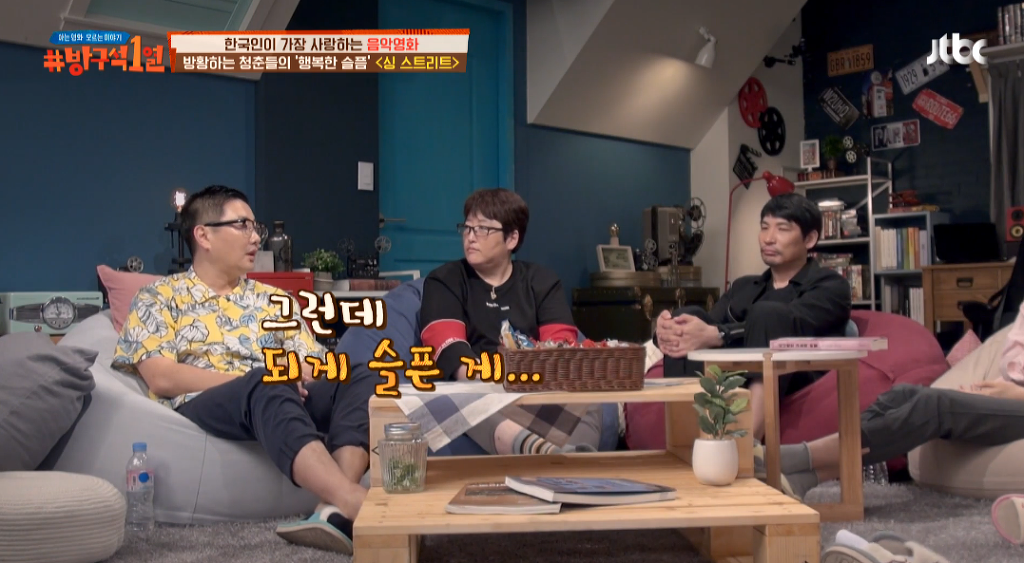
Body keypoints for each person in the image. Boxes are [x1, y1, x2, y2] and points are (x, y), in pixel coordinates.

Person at [111, 185, 373, 555]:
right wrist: (253, 380)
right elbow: (162, 376)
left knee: (359, 374)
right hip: (209, 399)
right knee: (266, 381)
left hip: (282, 393)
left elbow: (314, 363)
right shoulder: (159, 297)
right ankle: (353, 499)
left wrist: (302, 369)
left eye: (256, 227)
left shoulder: (275, 300)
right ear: (204, 235)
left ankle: (333, 508)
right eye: (242, 226)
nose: (255, 238)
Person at [768, 299, 1024, 502]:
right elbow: (1012, 357)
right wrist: (999, 388)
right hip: (1007, 391)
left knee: (933, 406)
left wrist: (1014, 393)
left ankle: (799, 456)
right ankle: (809, 477)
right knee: (903, 394)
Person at [419, 188, 605, 455]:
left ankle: (576, 458)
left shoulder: (542, 281)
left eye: (483, 229)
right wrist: (494, 380)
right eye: (467, 227)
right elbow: (449, 351)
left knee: (586, 389)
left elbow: (561, 348)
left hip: (534, 387)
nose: (470, 236)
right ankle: (539, 453)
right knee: (460, 398)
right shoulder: (445, 280)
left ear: (512, 238)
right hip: (477, 387)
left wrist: (527, 380)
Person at [655, 192, 852, 440]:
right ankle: (685, 439)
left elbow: (791, 325)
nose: (769, 238)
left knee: (768, 312)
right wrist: (668, 328)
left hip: (794, 376)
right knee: (687, 315)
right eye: (764, 227)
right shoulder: (745, 287)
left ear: (810, 239)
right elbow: (704, 327)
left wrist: (718, 334)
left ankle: (748, 443)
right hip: (732, 375)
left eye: (782, 229)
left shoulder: (830, 286)